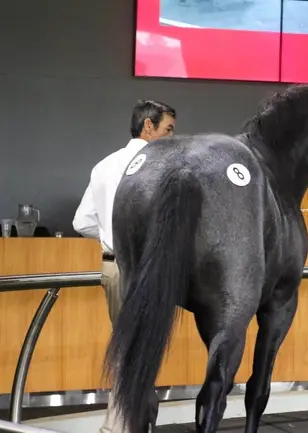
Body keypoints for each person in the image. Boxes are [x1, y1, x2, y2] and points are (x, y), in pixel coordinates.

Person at [72, 99, 177, 433]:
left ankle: (130, 419)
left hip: (112, 268)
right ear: (148, 126)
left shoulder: (104, 165)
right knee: (138, 352)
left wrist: (110, 235)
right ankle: (120, 424)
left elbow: (81, 221)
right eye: (168, 129)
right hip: (143, 270)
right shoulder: (158, 166)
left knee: (128, 348)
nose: (172, 138)